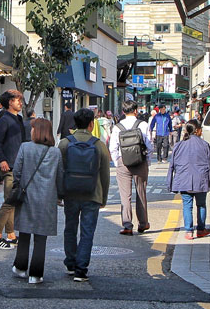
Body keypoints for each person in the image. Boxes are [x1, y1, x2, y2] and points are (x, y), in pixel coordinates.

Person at [58, 108, 110, 282]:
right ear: (91, 124)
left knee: (70, 228)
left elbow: (59, 171)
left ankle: (70, 263)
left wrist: (59, 193)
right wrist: (103, 197)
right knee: (87, 231)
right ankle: (81, 269)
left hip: (70, 193)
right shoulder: (99, 145)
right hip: (92, 194)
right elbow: (105, 174)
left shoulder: (65, 143)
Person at [11, 118, 64, 284]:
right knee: (41, 238)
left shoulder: (25, 148)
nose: (31, 131)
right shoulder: (55, 152)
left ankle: (20, 267)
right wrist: (60, 196)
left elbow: (17, 172)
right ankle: (36, 274)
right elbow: (60, 177)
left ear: (38, 131)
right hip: (47, 200)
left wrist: (16, 188)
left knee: (25, 234)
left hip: (27, 197)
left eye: (33, 129)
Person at [109, 99, 154, 235]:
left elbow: (113, 148)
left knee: (125, 195)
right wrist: (147, 161)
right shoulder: (143, 125)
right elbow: (149, 145)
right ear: (136, 111)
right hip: (140, 162)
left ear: (123, 112)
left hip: (123, 162)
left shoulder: (118, 127)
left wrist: (118, 163)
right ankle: (143, 223)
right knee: (141, 193)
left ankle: (127, 225)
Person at [168, 118, 210, 240]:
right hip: (201, 179)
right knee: (201, 204)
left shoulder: (179, 145)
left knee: (187, 205)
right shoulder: (204, 145)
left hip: (183, 180)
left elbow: (172, 165)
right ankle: (200, 229)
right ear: (198, 130)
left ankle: (189, 231)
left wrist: (170, 184)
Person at [0, 89, 26, 248]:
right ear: (10, 102)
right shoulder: (4, 120)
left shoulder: (18, 119)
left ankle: (11, 235)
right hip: (9, 165)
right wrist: (2, 160)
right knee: (9, 201)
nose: (20, 102)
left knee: (12, 201)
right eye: (17, 99)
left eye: (20, 99)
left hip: (18, 165)